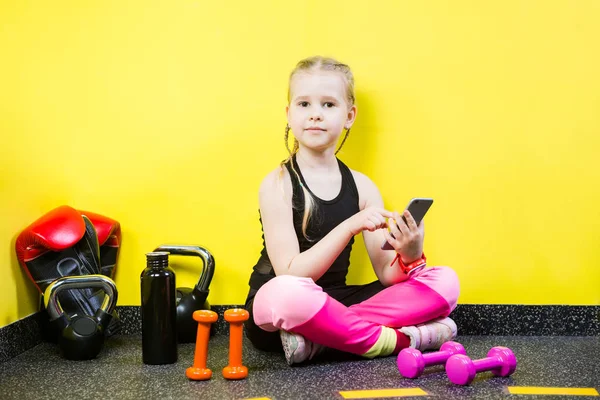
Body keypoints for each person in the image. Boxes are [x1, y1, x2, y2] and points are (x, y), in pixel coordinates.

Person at [244, 55, 460, 365]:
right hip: (280, 307)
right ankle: (396, 340)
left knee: (445, 281)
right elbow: (292, 273)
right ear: (289, 114)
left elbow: (388, 276)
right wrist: (349, 226)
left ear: (349, 115)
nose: (315, 115)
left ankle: (321, 340)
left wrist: (411, 253)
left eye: (328, 105)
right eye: (304, 104)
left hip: (335, 302)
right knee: (284, 293)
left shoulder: (363, 187)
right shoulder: (277, 184)